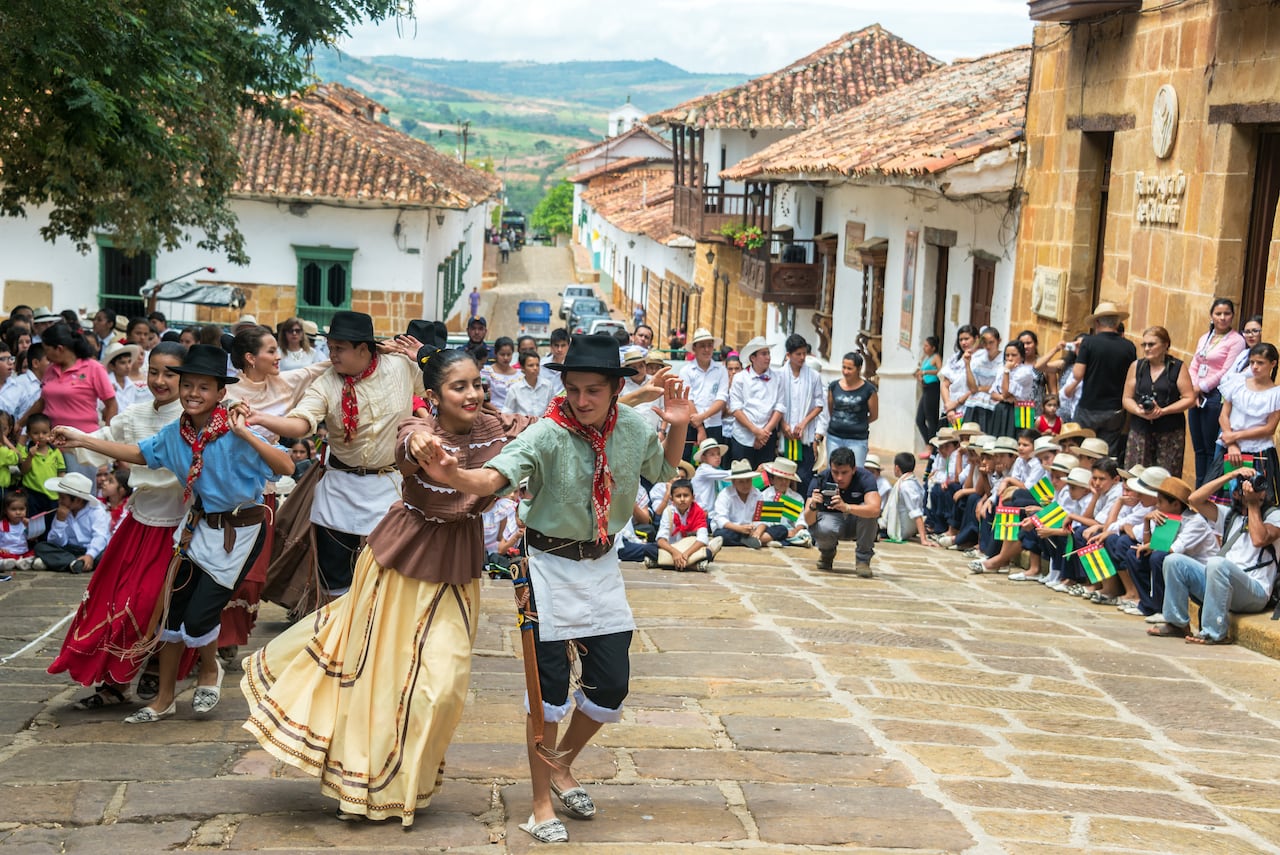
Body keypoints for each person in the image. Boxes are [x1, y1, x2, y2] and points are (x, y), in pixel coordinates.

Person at [243, 343, 536, 826]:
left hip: (457, 565)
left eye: (477, 384)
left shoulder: (498, 426)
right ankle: (365, 784)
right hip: (399, 563)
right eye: (458, 386)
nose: (472, 393)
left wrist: (626, 400)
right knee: (380, 678)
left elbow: (560, 420)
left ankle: (405, 778)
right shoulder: (417, 427)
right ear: (434, 395)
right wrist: (421, 445)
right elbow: (410, 443)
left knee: (443, 685)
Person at [416, 333, 690, 844]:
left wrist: (677, 425)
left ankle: (562, 761)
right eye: (574, 389)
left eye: (593, 391)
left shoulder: (630, 427)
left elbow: (665, 469)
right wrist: (456, 475)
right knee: (547, 694)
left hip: (602, 565)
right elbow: (495, 477)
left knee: (611, 685)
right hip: (544, 564)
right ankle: (541, 803)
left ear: (614, 389)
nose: (582, 400)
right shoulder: (546, 433)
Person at [54, 343, 293, 722]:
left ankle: (210, 671)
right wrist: (82, 439)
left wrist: (247, 434)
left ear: (220, 393)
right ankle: (164, 699)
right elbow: (138, 453)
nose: (193, 394)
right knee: (170, 614)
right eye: (189, 385)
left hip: (240, 530)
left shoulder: (234, 430)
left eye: (203, 388)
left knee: (199, 617)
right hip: (197, 528)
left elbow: (287, 466)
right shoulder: (174, 434)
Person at [245, 311, 425, 601]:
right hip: (340, 485)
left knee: (383, 573)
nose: (332, 355)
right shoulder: (327, 382)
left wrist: (424, 355)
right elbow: (302, 422)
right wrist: (261, 419)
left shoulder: (401, 366)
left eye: (339, 348)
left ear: (363, 349)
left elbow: (443, 379)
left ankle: (374, 635)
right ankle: (335, 636)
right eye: (330, 347)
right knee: (334, 572)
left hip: (386, 485)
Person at [1149, 465, 1280, 644]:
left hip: (1255, 591)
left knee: (1217, 563)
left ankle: (1214, 633)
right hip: (1221, 583)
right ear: (1235, 494)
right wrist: (1231, 475)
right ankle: (1177, 623)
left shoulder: (1274, 515)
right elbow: (1194, 499)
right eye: (1247, 486)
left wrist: (1252, 504)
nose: (1257, 490)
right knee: (1173, 561)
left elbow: (1259, 539)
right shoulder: (1229, 515)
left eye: (1258, 485)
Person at [24, 323, 117, 477]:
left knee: (77, 494)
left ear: (59, 349)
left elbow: (111, 404)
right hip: (51, 445)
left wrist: (107, 439)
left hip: (82, 445)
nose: (46, 357)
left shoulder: (93, 368)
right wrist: (21, 422)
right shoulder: (51, 370)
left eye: (47, 351)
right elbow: (42, 401)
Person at [1187, 298, 1247, 486]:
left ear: (1232, 316)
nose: (1222, 318)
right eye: (1218, 313)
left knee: (1210, 447)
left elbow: (1226, 371)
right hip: (1197, 396)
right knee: (1198, 449)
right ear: (1212, 316)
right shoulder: (1205, 337)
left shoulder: (1236, 340)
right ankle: (1198, 489)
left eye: (1227, 313)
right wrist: (1193, 389)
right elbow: (1195, 363)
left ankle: (1208, 491)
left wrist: (1201, 388)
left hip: (1214, 397)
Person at [1122, 325, 1195, 477]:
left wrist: (1163, 411)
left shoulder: (1178, 367)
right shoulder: (1137, 366)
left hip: (1170, 430)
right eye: (1145, 345)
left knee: (1165, 477)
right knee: (1136, 474)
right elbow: (1126, 398)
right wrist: (1138, 411)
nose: (1147, 348)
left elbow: (1189, 398)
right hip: (1140, 428)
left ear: (1165, 345)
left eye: (1152, 344)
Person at [1072, 302, 1137, 461]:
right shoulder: (1129, 347)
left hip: (1089, 407)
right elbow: (1132, 378)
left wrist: (1079, 354)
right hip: (1114, 409)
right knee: (1107, 454)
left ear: (1097, 322)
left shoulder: (1089, 343)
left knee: (1082, 450)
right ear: (1116, 323)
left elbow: (1077, 374)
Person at [1216, 342, 1280, 498]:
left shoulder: (1276, 394)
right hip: (1232, 448)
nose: (1255, 367)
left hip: (1259, 450)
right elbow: (1224, 415)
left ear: (1273, 363)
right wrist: (1231, 444)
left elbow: (1269, 428)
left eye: (1260, 363)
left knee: (1257, 497)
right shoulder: (1237, 383)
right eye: (1252, 362)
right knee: (1227, 496)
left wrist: (1235, 436)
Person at [805, 446, 881, 576]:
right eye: (835, 472)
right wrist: (813, 506)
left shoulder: (865, 478)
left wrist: (847, 507)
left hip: (856, 521)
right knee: (824, 526)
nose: (839, 478)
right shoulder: (820, 479)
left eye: (844, 472)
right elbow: (808, 520)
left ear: (853, 469)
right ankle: (827, 553)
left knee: (868, 514)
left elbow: (875, 509)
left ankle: (863, 561)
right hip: (831, 521)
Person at [32, 472, 110, 573]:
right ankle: (74, 563)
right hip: (69, 549)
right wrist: (60, 521)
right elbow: (56, 542)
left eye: (63, 498)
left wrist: (90, 555)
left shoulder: (96, 511)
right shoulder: (63, 511)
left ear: (77, 500)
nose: (60, 501)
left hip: (90, 549)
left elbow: (100, 537)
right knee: (41, 547)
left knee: (105, 555)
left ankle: (66, 563)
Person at [728, 337, 784, 470]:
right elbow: (736, 409)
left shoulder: (777, 378)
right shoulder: (740, 378)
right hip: (743, 436)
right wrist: (755, 431)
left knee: (763, 477)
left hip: (767, 437)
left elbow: (779, 406)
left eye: (768, 353)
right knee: (742, 475)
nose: (768, 357)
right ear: (753, 358)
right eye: (763, 354)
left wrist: (765, 432)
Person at [779, 333, 825, 489]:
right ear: (788, 355)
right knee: (784, 477)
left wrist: (804, 422)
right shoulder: (779, 375)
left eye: (804, 353)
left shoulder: (813, 376)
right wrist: (783, 424)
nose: (802, 357)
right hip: (785, 435)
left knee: (804, 478)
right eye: (798, 354)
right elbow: (775, 404)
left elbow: (819, 404)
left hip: (805, 435)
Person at [649, 477, 721, 571]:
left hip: (690, 549)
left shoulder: (698, 512)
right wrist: (675, 553)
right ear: (672, 499)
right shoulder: (668, 511)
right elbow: (661, 539)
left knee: (707, 553)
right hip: (672, 548)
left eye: (686, 495)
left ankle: (665, 563)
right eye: (678, 496)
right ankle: (692, 566)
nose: (682, 499)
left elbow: (702, 539)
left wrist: (686, 554)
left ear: (693, 497)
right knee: (649, 549)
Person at [680, 328, 729, 457]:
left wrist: (702, 417)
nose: (707, 350)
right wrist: (700, 427)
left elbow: (721, 398)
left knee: (712, 463)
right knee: (687, 463)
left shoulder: (721, 370)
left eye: (709, 346)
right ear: (694, 348)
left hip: (714, 424)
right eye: (702, 346)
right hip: (691, 424)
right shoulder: (686, 371)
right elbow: (687, 399)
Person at [825, 352, 876, 466]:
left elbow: (874, 415)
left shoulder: (869, 390)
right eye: (844, 367)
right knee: (833, 470)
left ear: (859, 369)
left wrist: (859, 422)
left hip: (857, 440)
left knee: (856, 471)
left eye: (850, 368)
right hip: (834, 437)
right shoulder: (833, 386)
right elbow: (831, 408)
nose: (845, 371)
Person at [712, 459, 770, 548]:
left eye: (748, 480)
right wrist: (741, 529)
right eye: (741, 482)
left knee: (781, 530)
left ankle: (752, 539)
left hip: (752, 530)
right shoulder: (725, 494)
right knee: (723, 534)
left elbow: (763, 518)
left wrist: (758, 532)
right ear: (734, 482)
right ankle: (759, 540)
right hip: (732, 529)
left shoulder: (757, 493)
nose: (745, 485)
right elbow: (721, 519)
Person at [18, 413, 65, 519]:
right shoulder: (26, 450)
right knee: (33, 523)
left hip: (52, 495)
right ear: (29, 434)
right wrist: (30, 456)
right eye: (35, 433)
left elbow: (61, 472)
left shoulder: (55, 451)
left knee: (49, 523)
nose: (41, 436)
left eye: (45, 432)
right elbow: (23, 471)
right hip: (32, 494)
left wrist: (62, 492)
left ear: (51, 432)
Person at [881, 451, 931, 546]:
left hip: (900, 530)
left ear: (897, 468)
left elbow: (916, 512)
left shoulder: (906, 486)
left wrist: (923, 539)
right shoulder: (914, 482)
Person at [964, 327, 1003, 434]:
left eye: (991, 342)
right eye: (985, 343)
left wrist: (980, 388)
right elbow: (972, 388)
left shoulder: (1003, 360)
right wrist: (967, 365)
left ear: (999, 341)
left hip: (992, 406)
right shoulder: (978, 358)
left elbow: (999, 387)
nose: (988, 346)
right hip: (974, 404)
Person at [939, 325, 979, 426]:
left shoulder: (980, 359)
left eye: (967, 339)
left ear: (976, 338)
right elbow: (945, 384)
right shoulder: (954, 359)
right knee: (947, 439)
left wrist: (956, 403)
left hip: (969, 408)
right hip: (951, 409)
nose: (963, 342)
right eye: (961, 339)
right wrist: (949, 407)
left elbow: (976, 388)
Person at [503, 350, 555, 416]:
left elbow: (553, 409)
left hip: (544, 424)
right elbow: (507, 412)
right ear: (522, 368)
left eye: (537, 365)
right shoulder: (515, 389)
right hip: (523, 425)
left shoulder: (548, 386)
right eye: (531, 365)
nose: (535, 368)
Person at [102, 340, 149, 412]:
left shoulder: (130, 384)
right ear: (112, 366)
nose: (128, 366)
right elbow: (101, 410)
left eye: (129, 362)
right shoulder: (106, 383)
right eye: (122, 363)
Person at [915, 335, 941, 445]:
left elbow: (940, 371)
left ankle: (932, 446)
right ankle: (928, 442)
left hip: (933, 388)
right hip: (925, 388)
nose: (924, 348)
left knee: (931, 418)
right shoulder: (925, 358)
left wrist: (926, 373)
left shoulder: (936, 357)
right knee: (919, 419)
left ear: (933, 348)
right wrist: (919, 376)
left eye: (927, 346)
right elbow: (920, 371)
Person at [483, 336, 521, 411]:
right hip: (492, 413)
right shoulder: (486, 372)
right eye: (502, 354)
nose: (506, 358)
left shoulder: (519, 375)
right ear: (495, 353)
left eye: (509, 354)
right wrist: (499, 412)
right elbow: (484, 399)